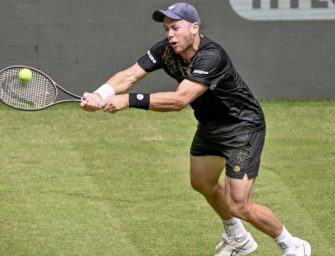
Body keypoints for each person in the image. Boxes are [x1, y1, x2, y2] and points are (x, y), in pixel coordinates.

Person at [80, 3, 311, 256]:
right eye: (166, 29)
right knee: (201, 181)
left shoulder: (212, 56)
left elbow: (180, 100)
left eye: (176, 28)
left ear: (195, 28)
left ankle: (293, 245)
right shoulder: (165, 51)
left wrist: (129, 100)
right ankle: (238, 238)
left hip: (241, 128)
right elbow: (129, 76)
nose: (170, 34)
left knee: (238, 204)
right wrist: (99, 95)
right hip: (211, 125)